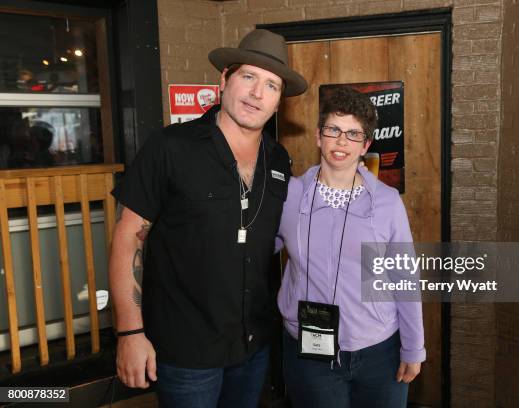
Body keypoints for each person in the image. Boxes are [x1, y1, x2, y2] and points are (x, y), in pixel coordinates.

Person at [108, 29, 307, 408]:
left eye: (271, 85)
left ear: (279, 101)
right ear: (224, 80)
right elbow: (128, 237)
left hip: (254, 346)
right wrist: (130, 332)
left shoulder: (279, 160)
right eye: (248, 77)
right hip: (186, 350)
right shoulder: (170, 147)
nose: (256, 93)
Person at [276, 86, 426, 408]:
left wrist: (413, 348)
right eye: (334, 130)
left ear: (365, 146)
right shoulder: (289, 197)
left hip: (379, 353)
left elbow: (404, 279)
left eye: (353, 134)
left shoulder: (386, 202)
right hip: (309, 354)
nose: (341, 141)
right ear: (318, 136)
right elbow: (254, 251)